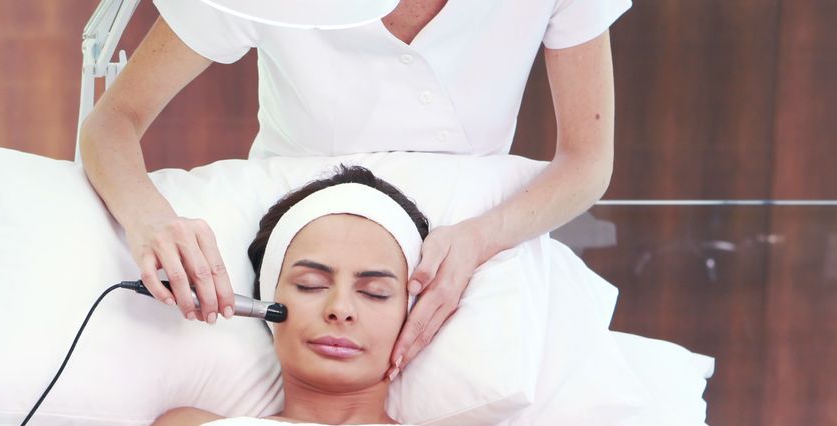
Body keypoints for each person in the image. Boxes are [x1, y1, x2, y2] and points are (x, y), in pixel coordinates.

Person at [31, 166, 573, 426]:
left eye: (376, 292)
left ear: (413, 317)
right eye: (311, 286)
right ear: (269, 305)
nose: (340, 308)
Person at [79, 0, 630, 380]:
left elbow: (586, 162)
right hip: (295, 244)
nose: (345, 311)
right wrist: (150, 218)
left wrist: (479, 240)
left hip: (467, 251)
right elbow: (112, 121)